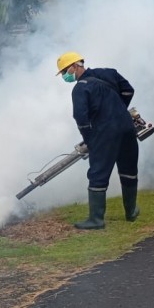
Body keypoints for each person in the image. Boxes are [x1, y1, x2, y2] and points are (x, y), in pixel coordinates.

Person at [56, 51, 139, 230]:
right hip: (127, 127)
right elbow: (128, 90)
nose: (64, 76)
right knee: (128, 169)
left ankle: (96, 220)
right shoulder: (109, 73)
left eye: (64, 72)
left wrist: (89, 139)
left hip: (105, 133)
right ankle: (131, 212)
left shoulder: (80, 89)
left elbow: (81, 118)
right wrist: (118, 109)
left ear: (74, 66)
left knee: (98, 174)